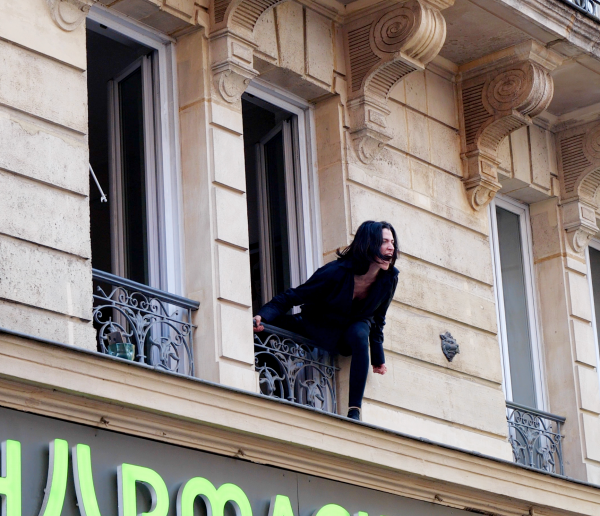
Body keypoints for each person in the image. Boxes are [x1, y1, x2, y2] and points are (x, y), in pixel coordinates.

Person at [253, 220, 399, 421]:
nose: (391, 246)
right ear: (369, 243)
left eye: (392, 241)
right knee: (269, 328)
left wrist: (378, 357)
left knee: (360, 332)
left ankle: (354, 411)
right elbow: (294, 296)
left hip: (353, 329)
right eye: (384, 241)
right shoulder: (336, 272)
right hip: (319, 324)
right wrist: (264, 315)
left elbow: (378, 318)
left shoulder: (389, 278)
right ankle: (270, 388)